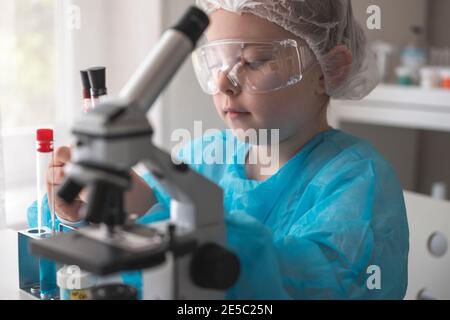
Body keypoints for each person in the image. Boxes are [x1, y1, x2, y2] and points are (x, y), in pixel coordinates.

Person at [28, 0, 409, 299]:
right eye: (217, 62)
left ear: (331, 70)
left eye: (255, 61)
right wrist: (92, 205)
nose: (224, 83)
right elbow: (150, 213)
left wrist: (200, 238)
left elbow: (312, 283)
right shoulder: (208, 155)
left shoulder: (356, 180)